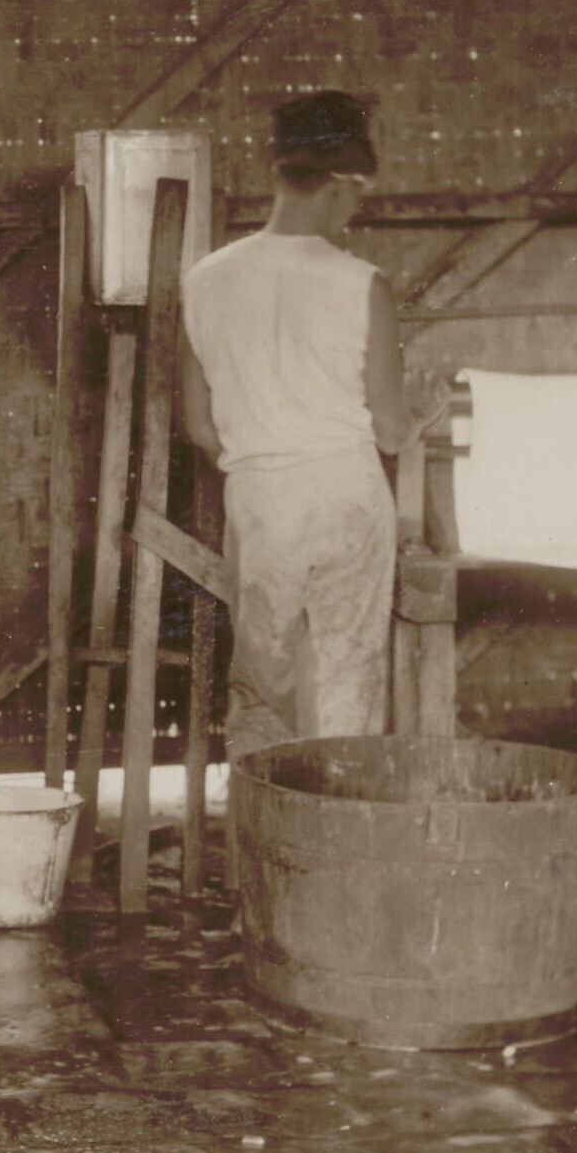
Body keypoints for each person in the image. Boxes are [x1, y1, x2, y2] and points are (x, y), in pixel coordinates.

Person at [181, 91, 427, 759]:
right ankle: (342, 817)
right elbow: (391, 431)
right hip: (346, 498)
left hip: (260, 504)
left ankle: (264, 819)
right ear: (343, 183)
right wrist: (418, 411)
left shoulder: (203, 280)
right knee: (346, 686)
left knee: (262, 690)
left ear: (281, 173)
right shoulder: (362, 283)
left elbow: (198, 426)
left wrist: (268, 444)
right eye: (357, 193)